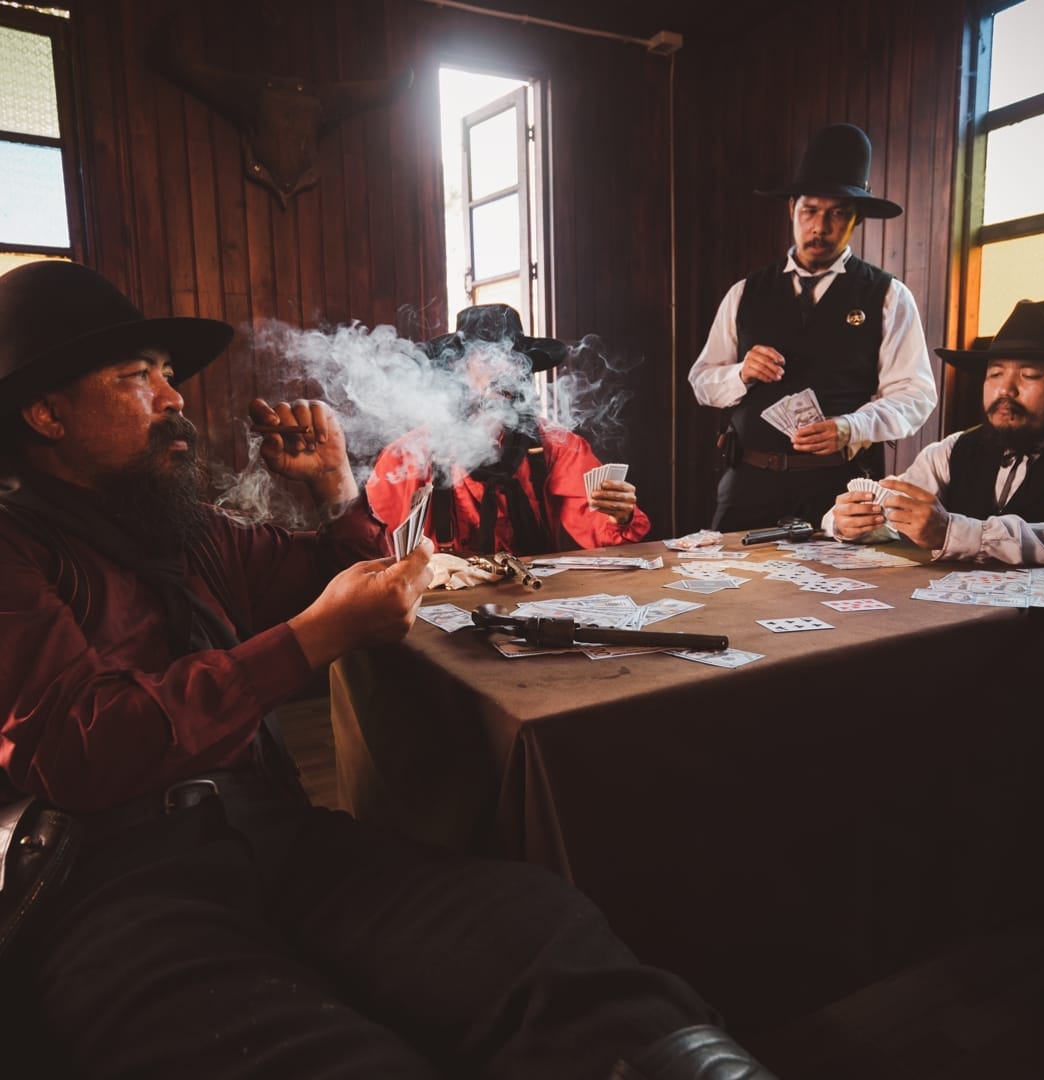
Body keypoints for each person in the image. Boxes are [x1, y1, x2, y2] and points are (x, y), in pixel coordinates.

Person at [0, 260, 776, 1080]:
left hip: (272, 838)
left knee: (540, 929)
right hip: (114, 883)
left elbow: (331, 578)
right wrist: (306, 640)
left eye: (166, 373)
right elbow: (77, 743)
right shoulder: (14, 547)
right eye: (136, 377)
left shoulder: (189, 530)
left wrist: (336, 492)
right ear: (46, 412)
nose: (174, 396)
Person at [688, 122, 938, 532]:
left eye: (837, 214)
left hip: (841, 488)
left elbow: (915, 395)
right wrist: (741, 373)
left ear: (857, 219)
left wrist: (850, 427)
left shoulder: (889, 296)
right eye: (810, 211)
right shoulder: (744, 293)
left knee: (836, 595)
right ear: (791, 209)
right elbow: (701, 382)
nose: (820, 227)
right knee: (735, 589)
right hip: (748, 485)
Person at [366, 303, 650, 556]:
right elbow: (375, 548)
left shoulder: (556, 445)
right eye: (489, 359)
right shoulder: (409, 455)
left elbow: (605, 532)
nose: (505, 370)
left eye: (514, 358)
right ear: (458, 367)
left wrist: (620, 516)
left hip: (532, 594)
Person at [824, 298, 1044, 566]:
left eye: (1029, 375)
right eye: (995, 375)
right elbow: (890, 512)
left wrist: (954, 532)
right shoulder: (952, 451)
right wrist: (850, 521)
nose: (1005, 390)